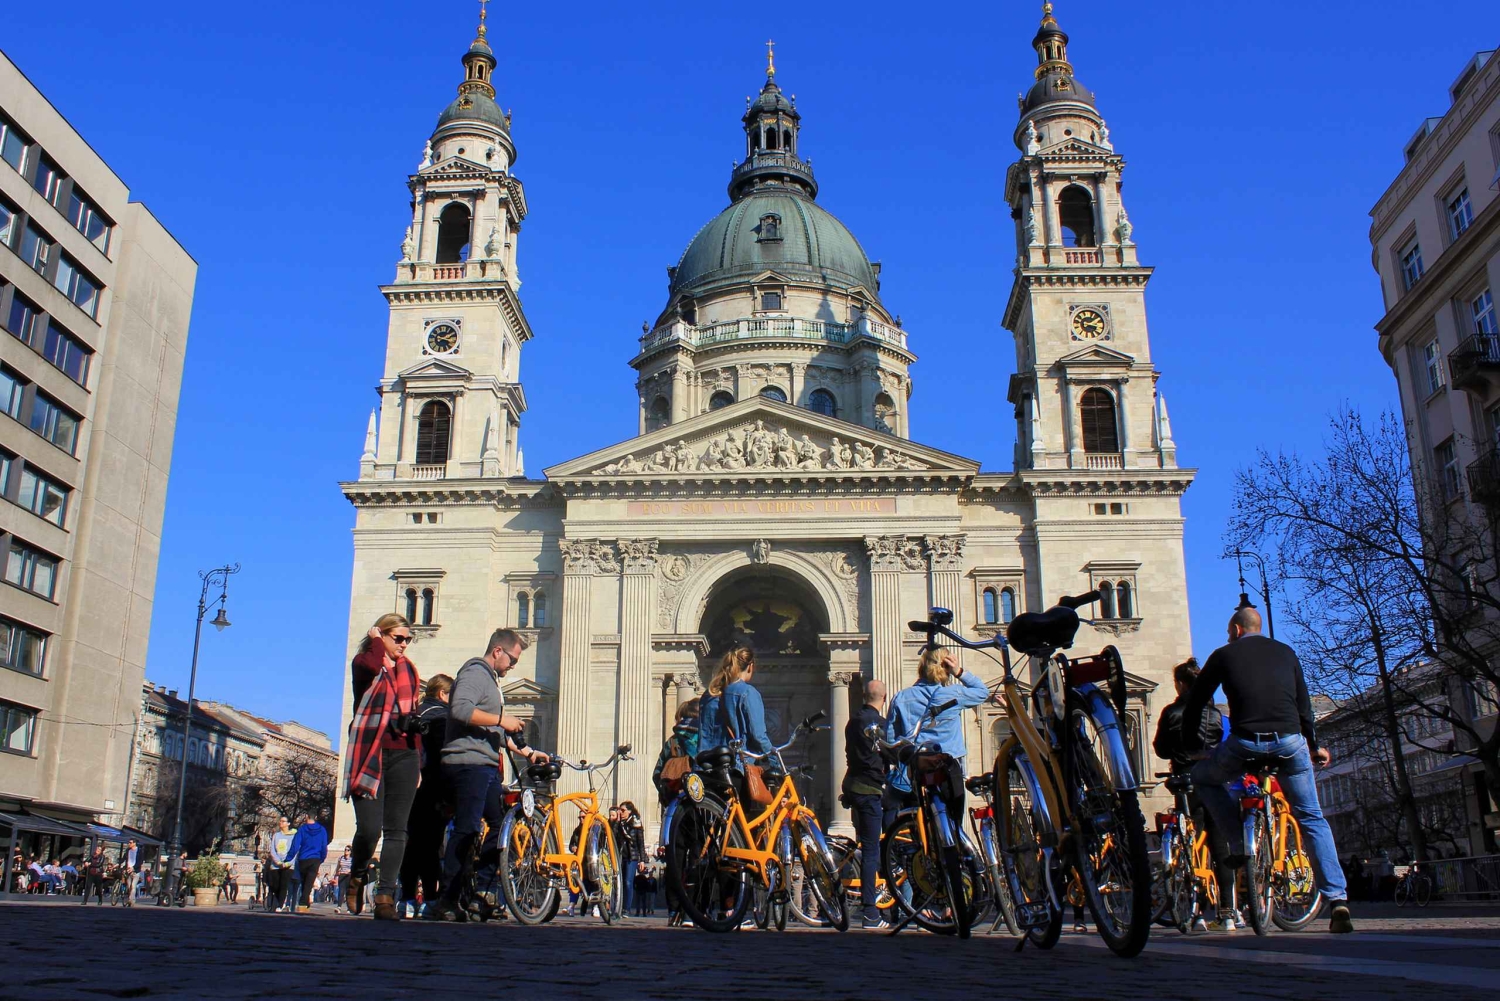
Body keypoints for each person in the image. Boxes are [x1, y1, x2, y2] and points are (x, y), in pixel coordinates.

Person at [1182, 606, 1354, 934]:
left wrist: (1194, 748)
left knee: (1204, 778)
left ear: (1235, 630)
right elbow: (1304, 704)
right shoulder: (1286, 652)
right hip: (1290, 744)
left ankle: (1238, 843)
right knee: (1311, 817)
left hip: (1245, 744)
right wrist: (1314, 744)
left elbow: (1196, 702)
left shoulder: (1222, 655)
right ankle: (1337, 900)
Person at [429, 628, 548, 922]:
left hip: (485, 765)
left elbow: (494, 731)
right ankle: (446, 900)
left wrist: (528, 753)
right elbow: (460, 710)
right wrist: (501, 719)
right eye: (512, 660)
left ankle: (482, 891)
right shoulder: (473, 673)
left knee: (500, 824)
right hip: (468, 763)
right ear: (498, 651)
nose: (512, 667)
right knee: (467, 829)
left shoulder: (490, 681)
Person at [345, 613, 423, 920]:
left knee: (397, 830)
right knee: (368, 830)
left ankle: (385, 896)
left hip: (404, 754)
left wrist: (419, 763)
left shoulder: (410, 671)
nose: (404, 644)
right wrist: (375, 639)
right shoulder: (365, 664)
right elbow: (371, 666)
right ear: (382, 636)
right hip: (370, 754)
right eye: (398, 638)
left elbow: (412, 716)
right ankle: (358, 873)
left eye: (408, 639)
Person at [1152, 657, 1234, 931]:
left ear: (1180, 684)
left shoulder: (1171, 712)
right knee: (1218, 843)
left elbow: (1161, 749)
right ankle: (1228, 910)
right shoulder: (1214, 714)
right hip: (1213, 780)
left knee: (1189, 845)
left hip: (1185, 781)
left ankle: (1196, 910)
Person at [885, 646, 990, 813]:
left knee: (917, 822)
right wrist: (959, 671)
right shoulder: (953, 693)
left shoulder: (901, 697)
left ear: (921, 666)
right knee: (953, 819)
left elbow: (891, 739)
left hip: (916, 767)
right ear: (946, 666)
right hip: (947, 764)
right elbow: (982, 692)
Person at [400, 673, 454, 919]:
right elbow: (444, 757)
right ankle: (431, 900)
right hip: (432, 786)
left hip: (408, 784)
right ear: (443, 694)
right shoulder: (443, 717)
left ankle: (406, 898)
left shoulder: (416, 713)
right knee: (431, 845)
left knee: (411, 843)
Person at [841, 677, 890, 930]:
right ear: (884, 697)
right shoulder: (880, 725)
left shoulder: (853, 721)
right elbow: (888, 753)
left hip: (851, 784)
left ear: (862, 695)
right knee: (873, 850)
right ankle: (870, 912)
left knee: (864, 843)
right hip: (869, 788)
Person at [285, 812, 330, 913]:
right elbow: (324, 846)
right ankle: (303, 904)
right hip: (315, 859)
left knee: (305, 882)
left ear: (306, 817)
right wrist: (322, 858)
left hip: (303, 858)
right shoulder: (322, 830)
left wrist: (288, 858)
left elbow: (295, 845)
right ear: (316, 817)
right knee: (308, 883)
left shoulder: (302, 829)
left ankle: (304, 903)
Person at [614, 802, 645, 920]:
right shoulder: (619, 823)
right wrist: (616, 821)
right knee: (620, 882)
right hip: (621, 856)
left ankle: (626, 909)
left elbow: (640, 843)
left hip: (632, 857)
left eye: (623, 810)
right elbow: (613, 835)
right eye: (620, 810)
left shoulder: (636, 824)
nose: (620, 813)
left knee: (628, 882)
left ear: (630, 811)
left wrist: (642, 860)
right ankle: (619, 907)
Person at [269, 816, 297, 912]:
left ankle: (280, 905)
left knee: (283, 885)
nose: (280, 823)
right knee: (275, 885)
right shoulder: (276, 835)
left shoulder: (293, 836)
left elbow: (295, 851)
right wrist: (277, 861)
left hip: (288, 865)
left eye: (283, 821)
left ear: (288, 823)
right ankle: (278, 902)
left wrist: (288, 863)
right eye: (280, 821)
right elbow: (272, 850)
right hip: (276, 865)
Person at [334, 846, 353, 913]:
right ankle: (339, 907)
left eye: (348, 850)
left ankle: (349, 908)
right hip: (342, 875)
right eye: (345, 849)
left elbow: (354, 868)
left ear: (350, 851)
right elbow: (338, 867)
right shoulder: (341, 858)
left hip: (349, 876)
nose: (346, 851)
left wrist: (350, 871)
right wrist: (336, 874)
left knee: (348, 892)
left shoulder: (352, 859)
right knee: (341, 891)